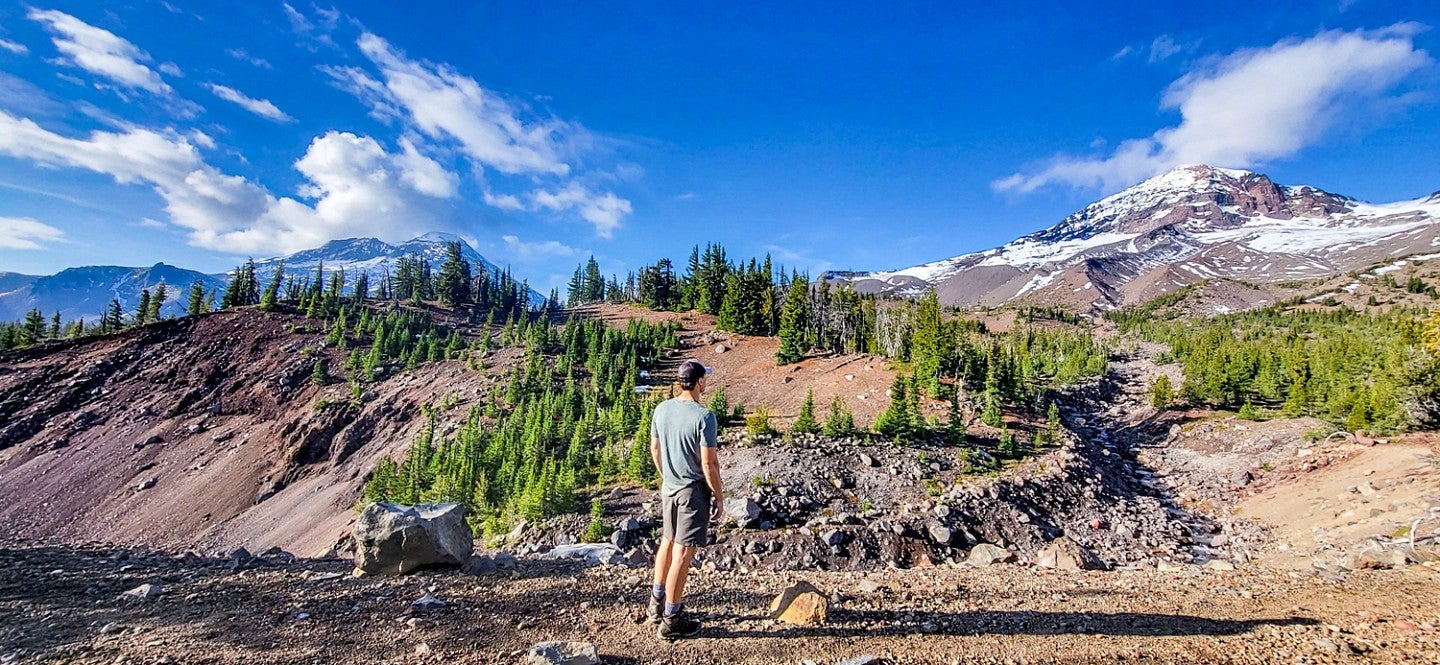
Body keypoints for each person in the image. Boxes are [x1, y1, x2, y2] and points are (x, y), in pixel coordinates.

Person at [646, 359, 723, 640]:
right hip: (692, 492)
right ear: (700, 382)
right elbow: (709, 463)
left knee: (667, 543)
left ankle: (656, 602)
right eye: (706, 379)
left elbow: (654, 448)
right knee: (682, 552)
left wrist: (667, 475)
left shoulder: (662, 409)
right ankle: (672, 617)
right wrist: (719, 495)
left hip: (669, 488)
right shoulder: (705, 416)